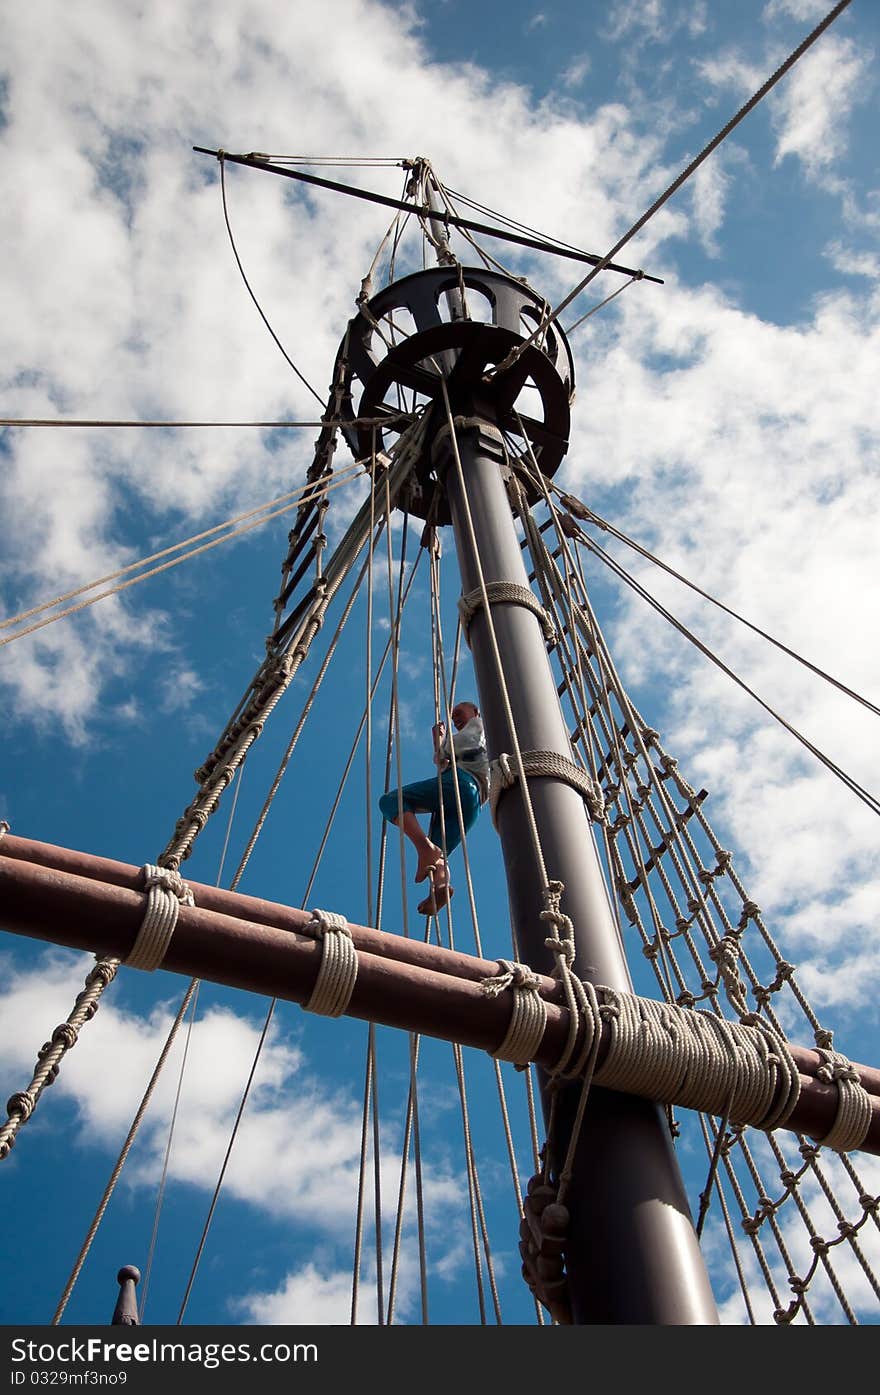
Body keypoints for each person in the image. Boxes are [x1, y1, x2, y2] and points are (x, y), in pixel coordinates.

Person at [379, 701, 489, 915]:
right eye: (453, 715)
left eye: (459, 713)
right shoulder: (478, 740)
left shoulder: (478, 726)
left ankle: (423, 848)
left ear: (476, 712)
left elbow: (445, 754)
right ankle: (439, 889)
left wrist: (440, 742)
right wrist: (438, 743)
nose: (455, 718)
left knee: (391, 801)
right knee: (441, 856)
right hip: (473, 805)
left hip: (461, 784)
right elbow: (443, 761)